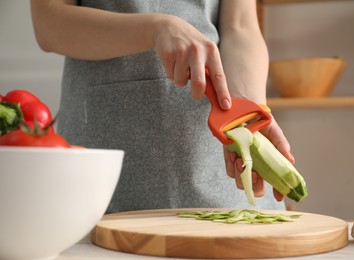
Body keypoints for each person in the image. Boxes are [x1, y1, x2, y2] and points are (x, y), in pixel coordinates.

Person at [30, 0, 294, 213]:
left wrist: (246, 112)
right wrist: (156, 28)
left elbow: (240, 27)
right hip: (105, 172)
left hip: (218, 172)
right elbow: (49, 23)